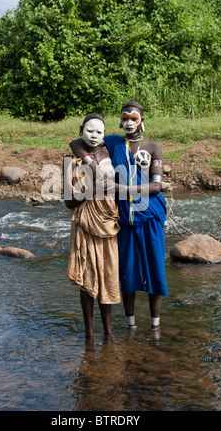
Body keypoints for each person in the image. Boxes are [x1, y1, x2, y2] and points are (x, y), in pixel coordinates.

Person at [70, 101, 168, 333]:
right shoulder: (113, 142)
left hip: (150, 214)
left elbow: (155, 187)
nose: (129, 122)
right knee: (127, 271)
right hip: (123, 218)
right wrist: (90, 163)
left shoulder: (153, 146)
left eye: (134, 118)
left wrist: (119, 189)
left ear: (142, 121)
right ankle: (130, 325)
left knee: (155, 269)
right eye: (125, 118)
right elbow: (76, 143)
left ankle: (155, 328)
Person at [65, 113, 121, 339]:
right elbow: (69, 201)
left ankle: (108, 331)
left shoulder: (112, 154)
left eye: (99, 132)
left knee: (109, 274)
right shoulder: (71, 160)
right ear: (81, 130)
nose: (94, 135)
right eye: (90, 130)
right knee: (87, 278)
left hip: (108, 220)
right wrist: (91, 190)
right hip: (85, 222)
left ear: (105, 135)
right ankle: (90, 332)